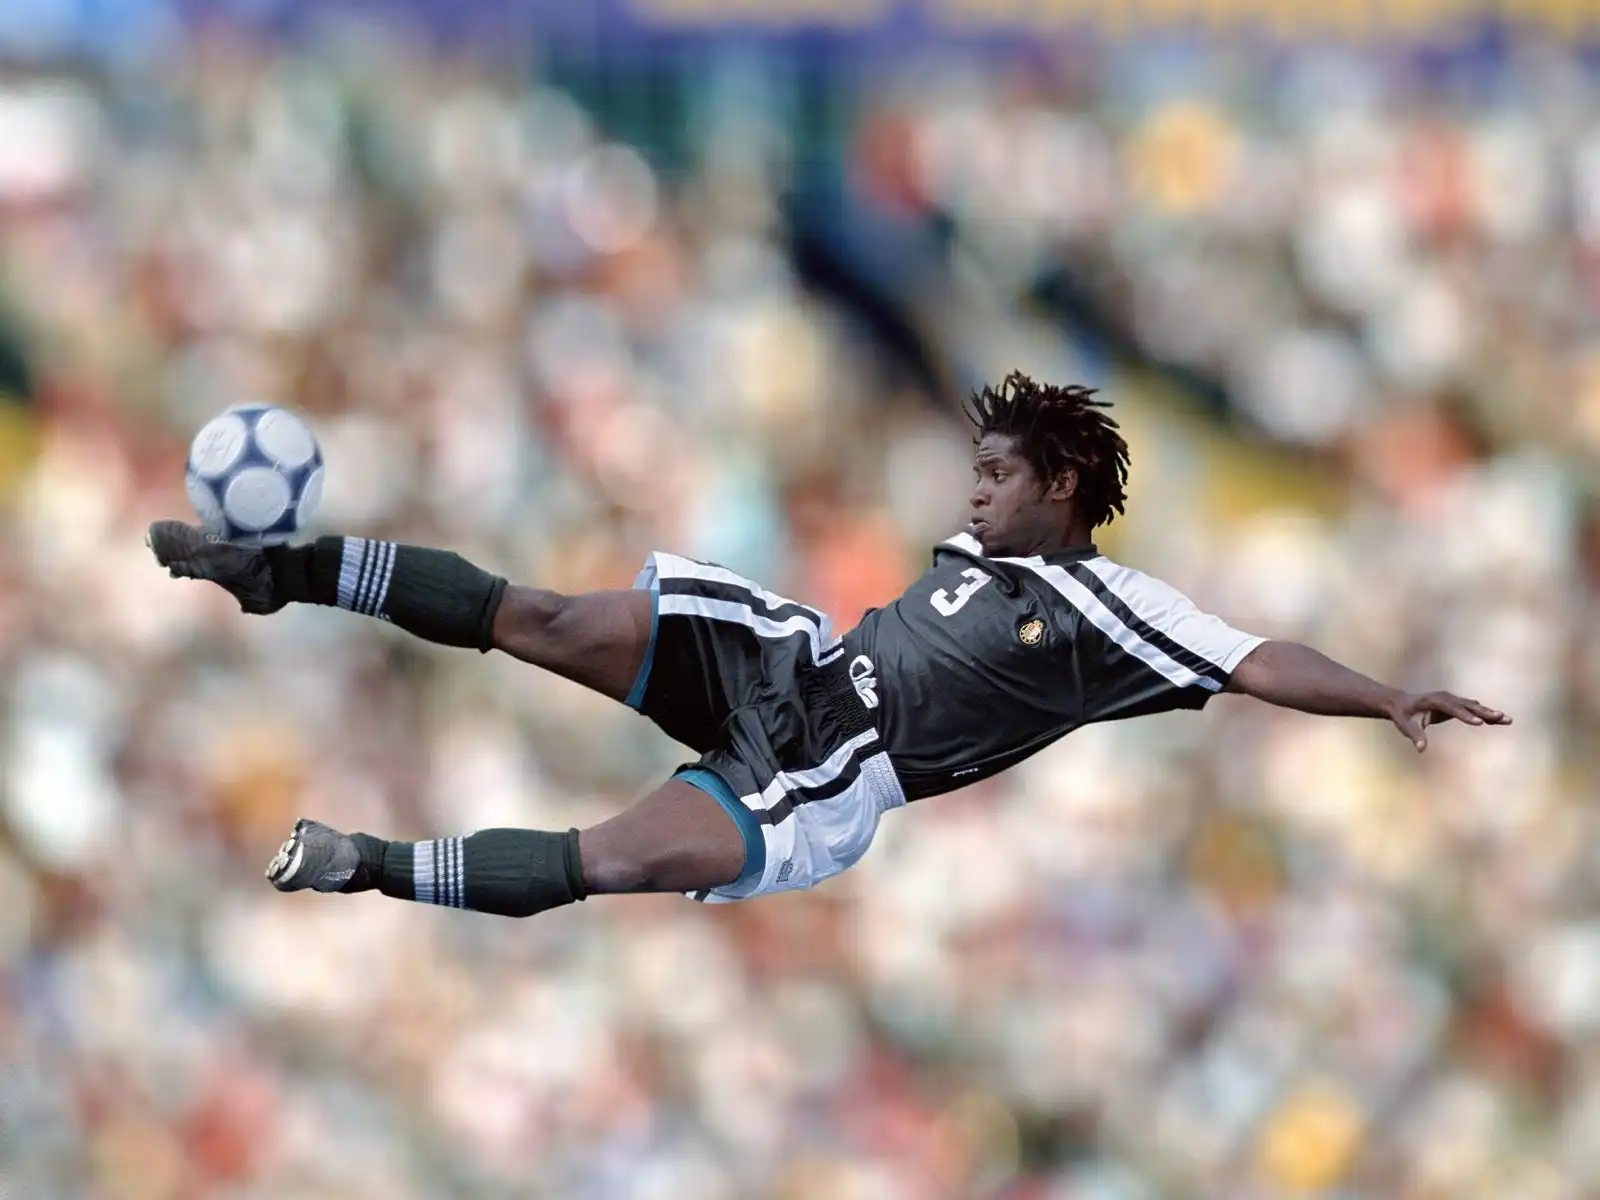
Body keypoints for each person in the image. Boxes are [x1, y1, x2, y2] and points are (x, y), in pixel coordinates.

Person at [148, 372, 1510, 919]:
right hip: (788, 662)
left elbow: (1260, 658)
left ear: (1059, 488)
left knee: (611, 858)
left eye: (997, 475)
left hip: (831, 774)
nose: (973, 494)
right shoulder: (983, 548)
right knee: (544, 615)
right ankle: (280, 571)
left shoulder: (1117, 611)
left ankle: (363, 864)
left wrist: (1388, 696)